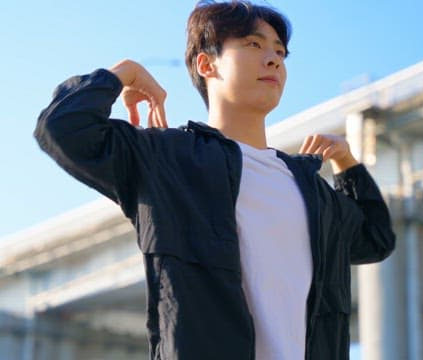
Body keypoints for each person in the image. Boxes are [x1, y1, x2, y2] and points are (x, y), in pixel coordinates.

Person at [34, 1, 395, 359]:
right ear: (206, 64)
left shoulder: (310, 188)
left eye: (280, 52)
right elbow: (64, 128)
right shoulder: (168, 158)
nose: (273, 59)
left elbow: (375, 238)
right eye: (253, 45)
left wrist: (347, 165)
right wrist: (122, 72)